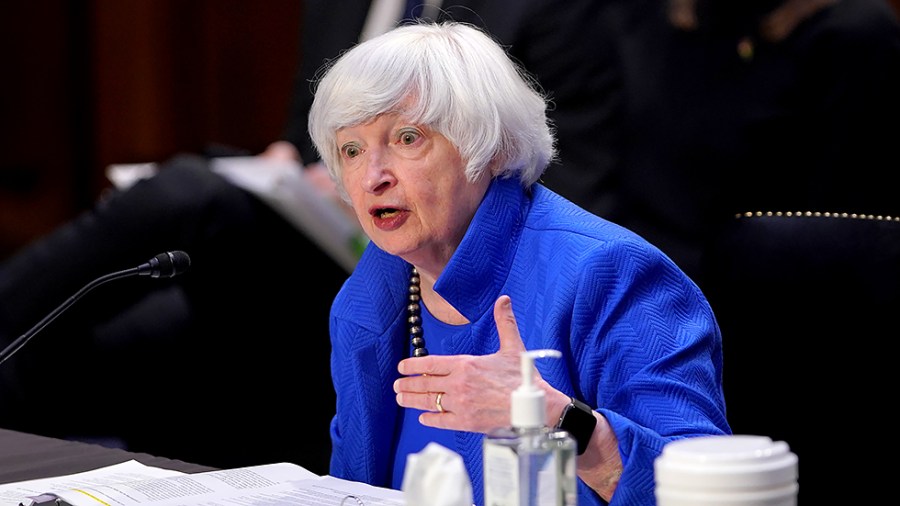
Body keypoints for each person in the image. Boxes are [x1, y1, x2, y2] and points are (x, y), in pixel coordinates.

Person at [308, 21, 730, 505]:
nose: (373, 177)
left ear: (490, 146)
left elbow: (708, 489)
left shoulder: (610, 274)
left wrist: (556, 420)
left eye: (407, 138)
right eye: (352, 150)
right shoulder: (367, 298)